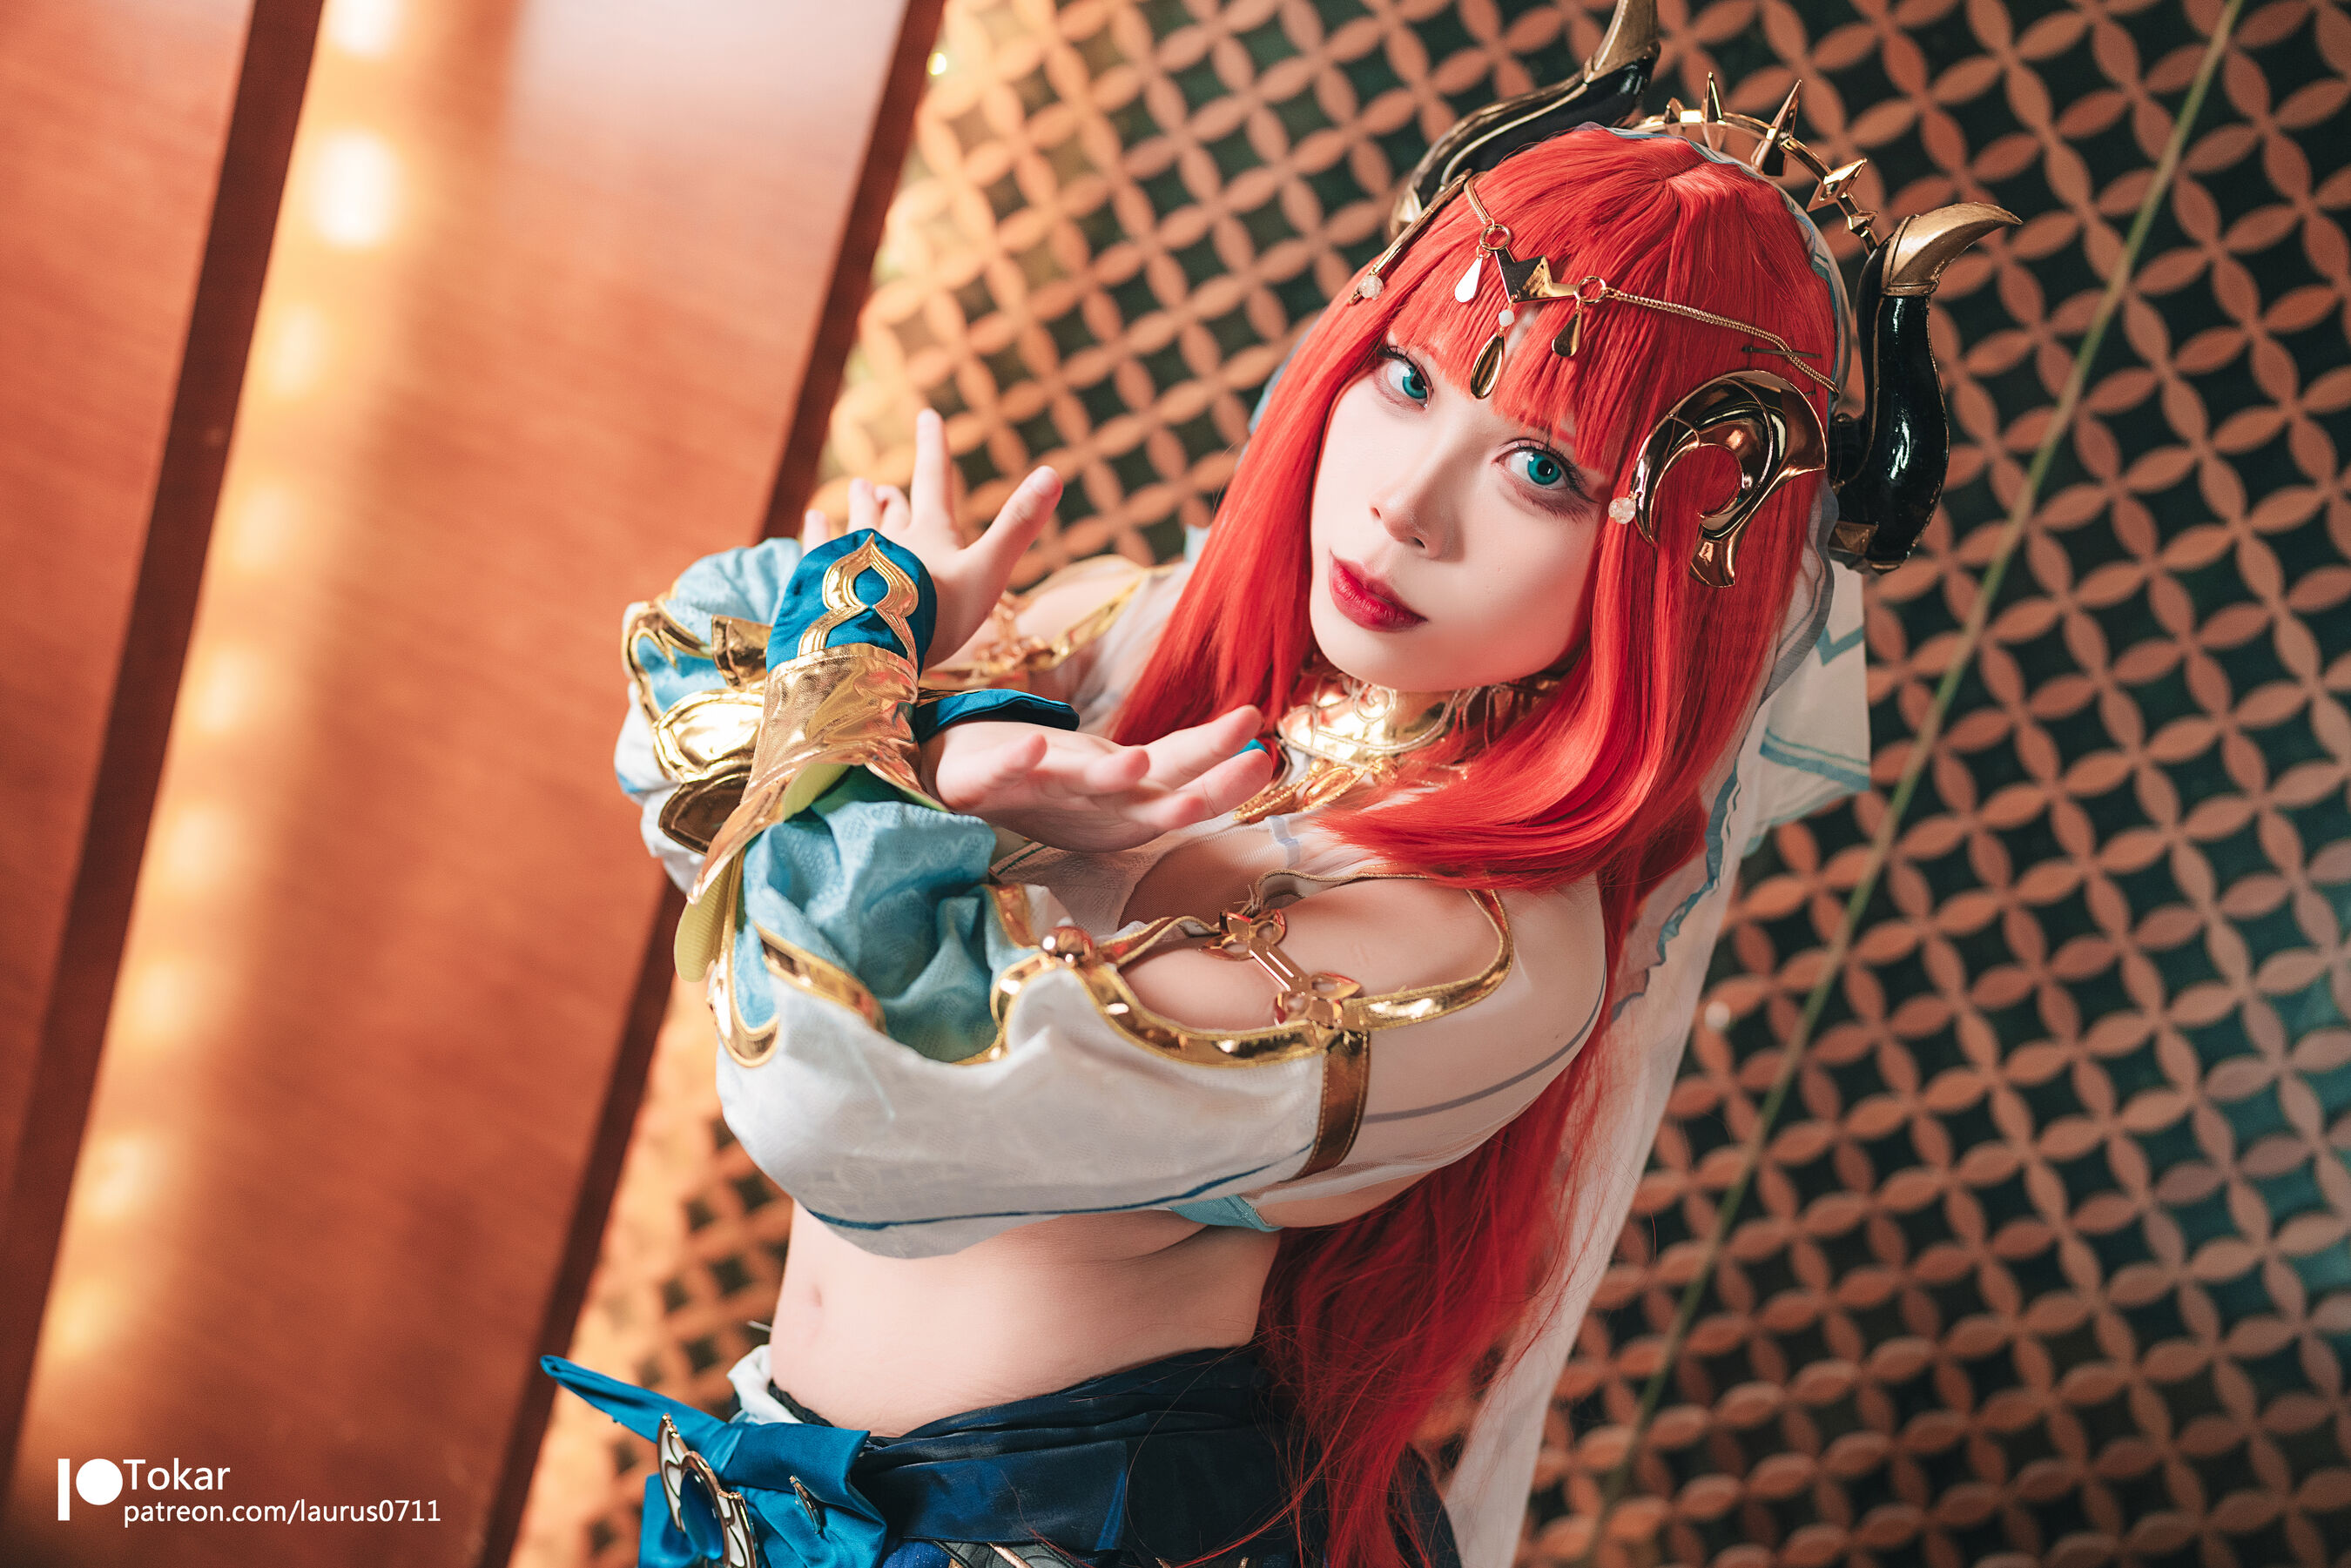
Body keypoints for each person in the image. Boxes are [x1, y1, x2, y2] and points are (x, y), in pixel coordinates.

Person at [544, 15, 2012, 1565]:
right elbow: (677, 694)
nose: (1406, 503)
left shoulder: (1486, 943)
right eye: (1406, 379)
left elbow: (839, 1076)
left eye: (1543, 469)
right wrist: (919, 742)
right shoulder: (1137, 636)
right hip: (747, 1499)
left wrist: (868, 658)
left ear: (1670, 567)